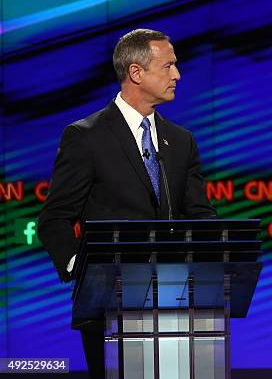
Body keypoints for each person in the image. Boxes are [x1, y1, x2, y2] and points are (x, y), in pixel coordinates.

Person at [38, 28, 216, 378]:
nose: (177, 75)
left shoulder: (181, 141)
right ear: (136, 73)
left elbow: (199, 215)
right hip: (109, 306)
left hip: (174, 301)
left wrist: (217, 256)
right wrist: (83, 268)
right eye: (168, 66)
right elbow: (55, 219)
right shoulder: (86, 137)